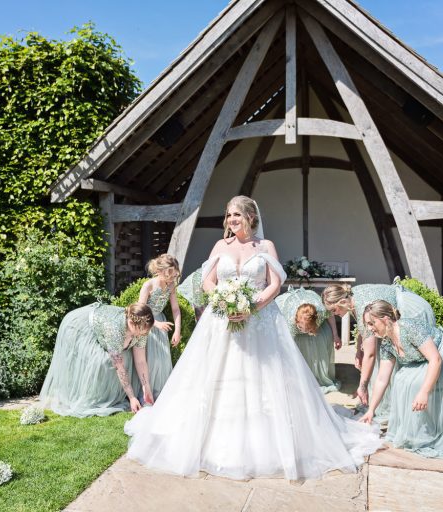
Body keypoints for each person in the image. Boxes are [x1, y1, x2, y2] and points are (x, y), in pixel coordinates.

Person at [124, 196, 382, 480]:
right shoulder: (220, 246)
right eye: (228, 215)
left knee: (263, 376)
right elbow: (208, 281)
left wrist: (251, 307)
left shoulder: (265, 246)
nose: (231, 220)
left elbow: (275, 283)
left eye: (236, 215)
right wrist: (223, 301)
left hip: (260, 321)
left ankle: (263, 442)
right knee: (216, 375)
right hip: (221, 320)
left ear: (250, 217)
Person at [359, 300, 443, 458]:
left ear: (385, 319)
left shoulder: (409, 328)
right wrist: (371, 410)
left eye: (371, 323)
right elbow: (382, 378)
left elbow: (435, 360)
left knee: (416, 383)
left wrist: (424, 392)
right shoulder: (387, 344)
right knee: (401, 379)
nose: (369, 328)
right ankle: (427, 430)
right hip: (425, 360)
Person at [322, 283, 435, 423]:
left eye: (334, 310)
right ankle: (379, 405)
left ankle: (406, 405)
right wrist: (358, 350)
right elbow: (362, 327)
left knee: (402, 359)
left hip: (411, 311)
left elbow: (370, 354)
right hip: (391, 316)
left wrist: (362, 386)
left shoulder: (362, 304)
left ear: (343, 302)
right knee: (385, 357)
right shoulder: (353, 298)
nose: (334, 314)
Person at [39, 303, 155, 417]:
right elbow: (118, 366)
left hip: (107, 325)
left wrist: (146, 387)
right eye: (143, 331)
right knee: (100, 362)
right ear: (131, 323)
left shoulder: (142, 329)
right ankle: (86, 396)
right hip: (82, 327)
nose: (145, 334)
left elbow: (140, 360)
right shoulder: (114, 329)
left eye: (146, 331)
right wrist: (132, 398)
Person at [135, 254, 182, 400]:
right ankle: (145, 393)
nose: (172, 279)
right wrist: (156, 324)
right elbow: (140, 312)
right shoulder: (148, 285)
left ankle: (161, 394)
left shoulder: (171, 286)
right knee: (150, 361)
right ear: (160, 271)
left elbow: (175, 309)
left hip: (161, 323)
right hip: (147, 324)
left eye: (174, 276)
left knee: (162, 361)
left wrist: (177, 330)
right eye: (170, 275)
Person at [276, 287, 341, 392]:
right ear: (296, 322)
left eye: (309, 329)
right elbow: (287, 348)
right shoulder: (290, 322)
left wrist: (336, 335)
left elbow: (331, 316)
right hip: (289, 303)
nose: (305, 331)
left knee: (320, 339)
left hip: (311, 300)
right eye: (302, 328)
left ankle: (318, 374)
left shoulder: (321, 311)